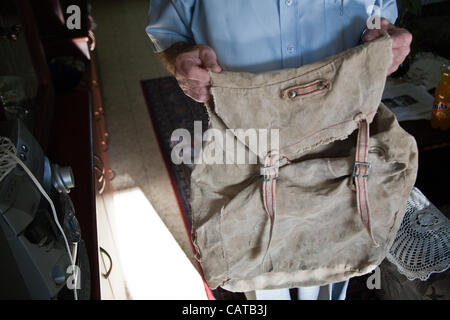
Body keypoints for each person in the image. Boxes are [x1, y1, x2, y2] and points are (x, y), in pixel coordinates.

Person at [145, 0, 412, 300]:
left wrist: (385, 34)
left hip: (341, 129)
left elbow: (380, 12)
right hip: (247, 137)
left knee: (338, 260)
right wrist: (181, 58)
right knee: (258, 270)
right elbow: (167, 33)